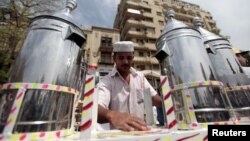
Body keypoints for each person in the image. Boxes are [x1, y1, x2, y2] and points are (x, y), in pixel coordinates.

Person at [97, 41, 162, 131]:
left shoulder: (140, 77)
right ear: (114, 59)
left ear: (133, 58)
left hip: (142, 134)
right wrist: (112, 115)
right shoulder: (107, 81)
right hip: (119, 136)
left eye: (129, 58)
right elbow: (97, 108)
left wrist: (172, 104)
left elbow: (153, 98)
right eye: (121, 58)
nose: (125, 61)